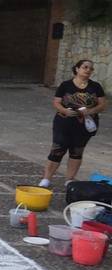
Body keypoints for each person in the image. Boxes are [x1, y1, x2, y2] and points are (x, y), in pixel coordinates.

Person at [39, 59, 106, 188]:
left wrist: (90, 111)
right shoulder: (66, 85)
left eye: (90, 68)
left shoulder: (96, 86)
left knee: (77, 151)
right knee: (57, 149)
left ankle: (69, 179)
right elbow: (56, 102)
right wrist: (65, 110)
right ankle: (46, 179)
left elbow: (102, 104)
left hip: (85, 124)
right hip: (64, 122)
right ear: (77, 69)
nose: (88, 70)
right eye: (85, 67)